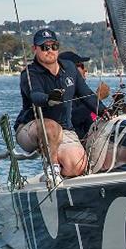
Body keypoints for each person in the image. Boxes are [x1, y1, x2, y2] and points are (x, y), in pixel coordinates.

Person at [13, 30, 104, 179]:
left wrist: (105, 110)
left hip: (64, 129)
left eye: (54, 46)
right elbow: (35, 95)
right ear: (34, 49)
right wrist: (49, 98)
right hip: (30, 129)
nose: (50, 50)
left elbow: (87, 94)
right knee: (50, 127)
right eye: (44, 47)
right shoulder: (29, 74)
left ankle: (55, 175)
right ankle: (52, 171)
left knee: (77, 166)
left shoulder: (69, 68)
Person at [59, 50, 110, 140]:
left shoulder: (79, 93)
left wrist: (115, 106)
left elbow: (89, 118)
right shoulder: (60, 91)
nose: (85, 70)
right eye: (81, 66)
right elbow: (72, 118)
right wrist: (98, 97)